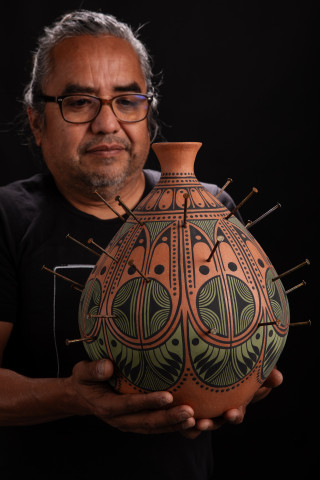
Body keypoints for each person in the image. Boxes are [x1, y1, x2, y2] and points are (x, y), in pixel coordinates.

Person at [0, 10, 282, 479]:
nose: (108, 123)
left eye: (127, 100)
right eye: (79, 102)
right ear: (36, 122)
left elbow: (250, 328)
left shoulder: (213, 207)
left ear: (147, 111)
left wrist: (243, 376)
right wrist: (73, 398)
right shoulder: (8, 218)